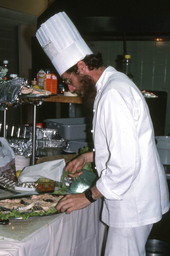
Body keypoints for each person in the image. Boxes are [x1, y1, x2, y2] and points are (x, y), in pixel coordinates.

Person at [36, 12, 169, 256]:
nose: (71, 88)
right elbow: (123, 145)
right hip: (135, 196)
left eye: (69, 80)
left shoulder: (112, 95)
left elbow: (125, 164)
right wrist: (90, 157)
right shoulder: (112, 83)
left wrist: (87, 197)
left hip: (131, 203)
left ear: (82, 67)